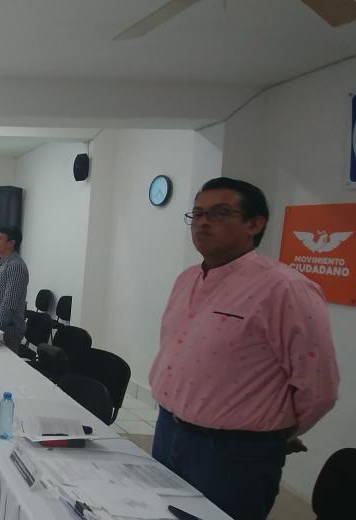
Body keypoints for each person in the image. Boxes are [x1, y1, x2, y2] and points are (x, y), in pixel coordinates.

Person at [149, 178, 339, 520]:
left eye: (220, 213)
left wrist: (274, 432)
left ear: (255, 224)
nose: (204, 222)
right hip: (168, 430)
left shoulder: (284, 289)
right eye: (198, 214)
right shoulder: (187, 279)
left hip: (232, 452)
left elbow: (318, 387)